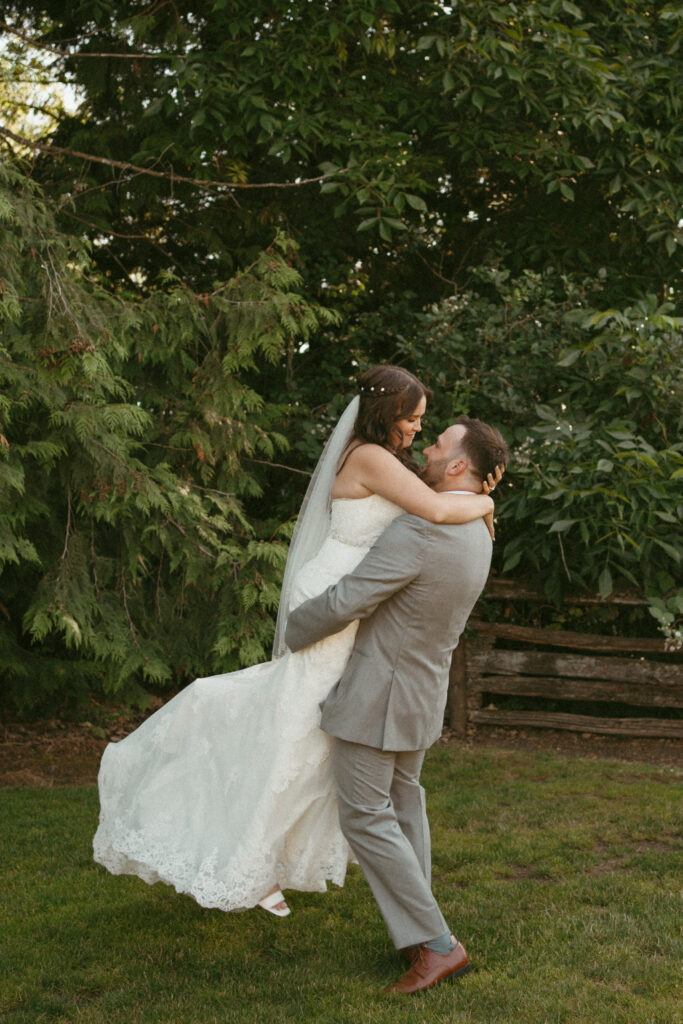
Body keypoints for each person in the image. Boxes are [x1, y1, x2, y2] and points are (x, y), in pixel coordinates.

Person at [93, 366, 498, 919]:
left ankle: (272, 859)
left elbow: (437, 492)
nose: (418, 432)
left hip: (354, 603)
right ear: (387, 414)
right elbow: (434, 507)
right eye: (414, 419)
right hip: (336, 599)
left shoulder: (388, 461)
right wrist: (486, 503)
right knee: (295, 733)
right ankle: (249, 856)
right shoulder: (371, 458)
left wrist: (477, 485)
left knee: (305, 740)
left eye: (428, 426)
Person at [285, 416, 509, 993]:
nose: (426, 450)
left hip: (380, 692)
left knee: (365, 812)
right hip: (422, 689)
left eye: (438, 445)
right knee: (404, 804)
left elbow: (351, 599)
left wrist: (293, 627)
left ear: (459, 465)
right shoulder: (481, 526)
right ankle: (420, 933)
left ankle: (436, 945)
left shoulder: (423, 529)